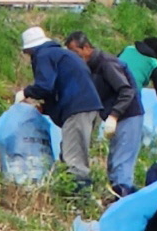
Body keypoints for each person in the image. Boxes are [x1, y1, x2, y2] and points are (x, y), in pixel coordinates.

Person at [17, 26, 103, 193]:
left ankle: (79, 200)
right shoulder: (61, 55)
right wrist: (47, 108)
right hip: (88, 107)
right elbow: (60, 85)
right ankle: (72, 194)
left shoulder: (43, 55)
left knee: (74, 161)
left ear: (30, 49)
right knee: (70, 152)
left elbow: (45, 86)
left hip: (78, 109)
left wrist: (25, 92)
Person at [64, 31, 144, 198]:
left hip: (128, 115)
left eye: (75, 53)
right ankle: (118, 197)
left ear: (86, 48)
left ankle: (124, 200)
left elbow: (127, 91)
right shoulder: (90, 67)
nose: (74, 58)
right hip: (114, 115)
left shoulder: (106, 63)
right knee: (114, 161)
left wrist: (114, 115)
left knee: (122, 163)